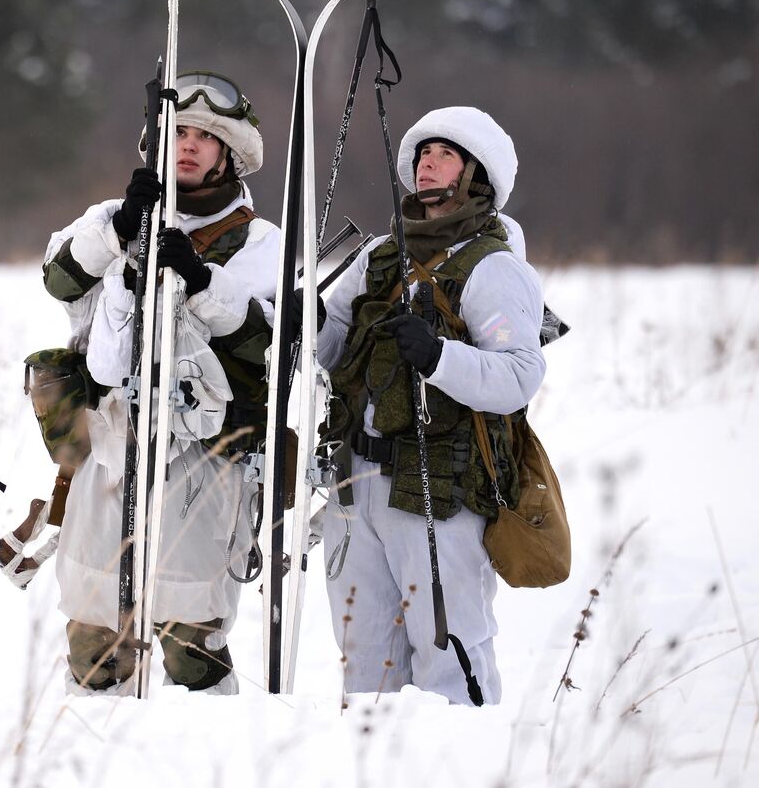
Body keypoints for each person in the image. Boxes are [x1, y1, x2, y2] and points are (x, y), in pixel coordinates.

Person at [40, 71, 280, 695]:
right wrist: (121, 226)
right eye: (179, 132)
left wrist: (202, 283)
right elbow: (60, 282)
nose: (189, 144)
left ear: (230, 154)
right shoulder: (111, 217)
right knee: (94, 638)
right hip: (111, 443)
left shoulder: (261, 244)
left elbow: (274, 343)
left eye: (206, 136)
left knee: (190, 642)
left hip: (207, 452)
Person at [315, 105, 545, 705]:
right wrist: (304, 324)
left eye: (444, 154)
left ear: (477, 175)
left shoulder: (493, 268)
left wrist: (440, 357)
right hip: (356, 479)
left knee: (450, 661)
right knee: (365, 665)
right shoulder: (380, 254)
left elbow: (520, 375)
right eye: (422, 153)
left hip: (437, 488)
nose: (426, 163)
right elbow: (333, 339)